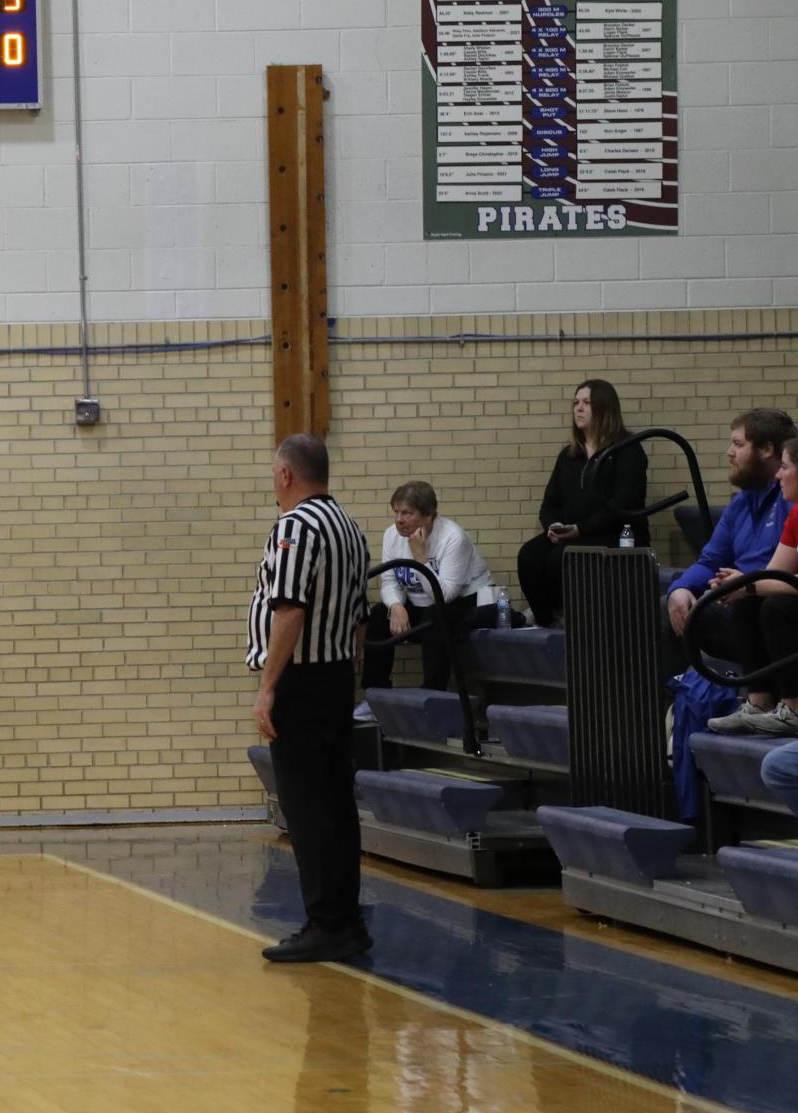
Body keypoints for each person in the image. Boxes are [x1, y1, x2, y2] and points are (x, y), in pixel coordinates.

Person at [250, 433, 372, 963]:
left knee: (306, 808)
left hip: (301, 683)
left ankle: (325, 923)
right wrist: (354, 679)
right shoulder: (349, 526)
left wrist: (268, 687)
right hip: (336, 676)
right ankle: (346, 921)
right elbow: (359, 619)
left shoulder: (295, 526)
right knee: (337, 805)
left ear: (285, 475)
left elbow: (291, 610)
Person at [666, 409, 797, 700]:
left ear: (767, 450)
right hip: (745, 606)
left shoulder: (790, 498)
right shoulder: (740, 503)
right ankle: (680, 710)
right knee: (672, 605)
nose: (729, 453)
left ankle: (768, 702)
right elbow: (710, 561)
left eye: (738, 444)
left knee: (763, 607)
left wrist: (745, 585)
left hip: (770, 610)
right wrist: (682, 587)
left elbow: (779, 576)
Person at [515, 379, 647, 627]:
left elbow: (623, 503)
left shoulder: (627, 450)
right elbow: (550, 502)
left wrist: (580, 529)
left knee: (561, 557)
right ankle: (546, 621)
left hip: (613, 533)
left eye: (586, 402)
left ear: (604, 408)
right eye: (576, 403)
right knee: (529, 555)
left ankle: (574, 619)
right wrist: (552, 525)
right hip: (571, 532)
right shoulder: (569, 455)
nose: (579, 408)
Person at [362, 480, 498, 700]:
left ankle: (434, 695)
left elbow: (443, 596)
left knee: (435, 616)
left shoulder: (453, 537)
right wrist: (396, 607)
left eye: (407, 513)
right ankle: (375, 696)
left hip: (465, 603)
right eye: (396, 512)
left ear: (428, 515)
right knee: (379, 614)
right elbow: (389, 580)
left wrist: (420, 557)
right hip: (421, 603)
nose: (399, 520)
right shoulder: (391, 535)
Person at [702, 435, 798, 736]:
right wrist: (741, 584)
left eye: (784, 467)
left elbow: (782, 585)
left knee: (776, 606)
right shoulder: (795, 515)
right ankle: (760, 702)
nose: (778, 474)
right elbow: (775, 575)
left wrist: (750, 584)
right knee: (747, 602)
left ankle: (794, 708)